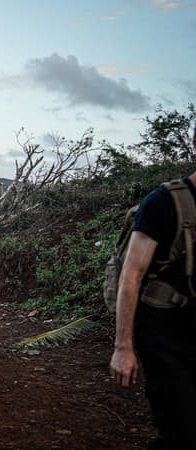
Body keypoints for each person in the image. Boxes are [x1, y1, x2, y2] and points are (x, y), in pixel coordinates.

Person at [110, 172, 196, 449]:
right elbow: (131, 275)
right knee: (181, 430)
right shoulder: (164, 202)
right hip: (164, 334)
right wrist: (123, 347)